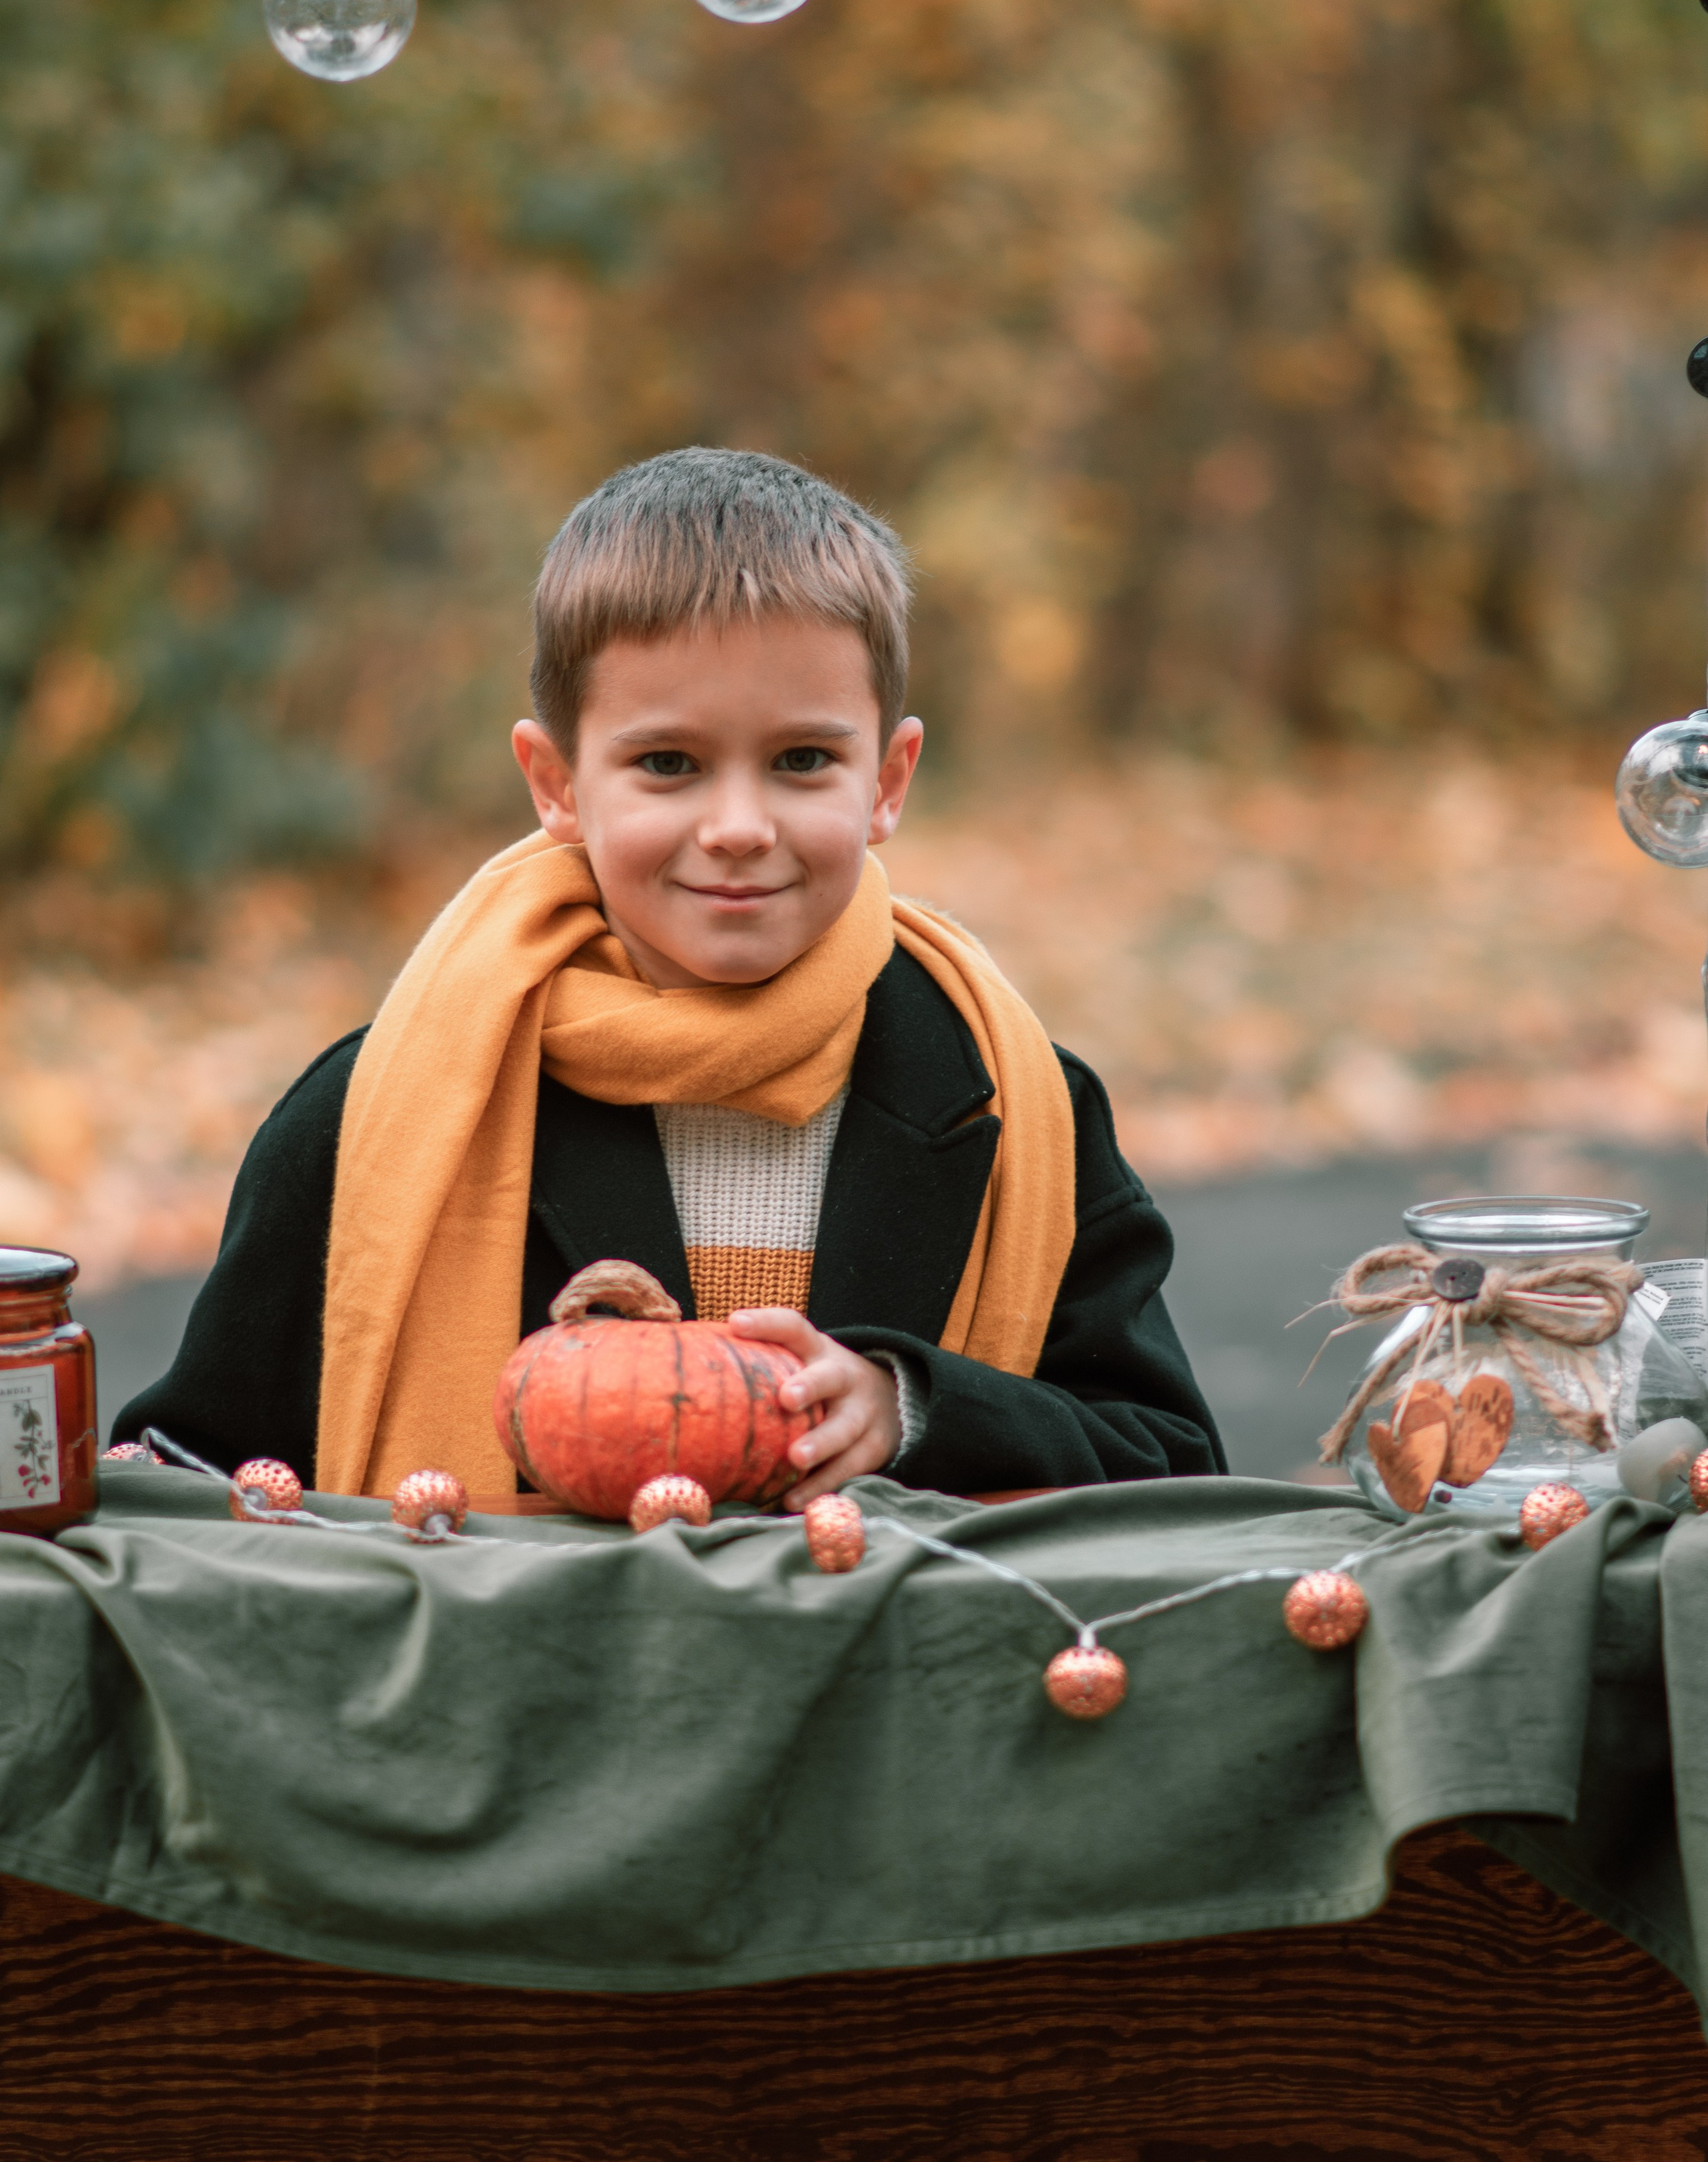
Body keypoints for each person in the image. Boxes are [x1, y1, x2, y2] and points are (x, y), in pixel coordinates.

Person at [116, 448, 1224, 1503]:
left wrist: (915, 1413)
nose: (738, 827)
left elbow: (1172, 1466)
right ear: (556, 783)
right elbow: (195, 1475)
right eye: (667, 765)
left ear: (888, 781)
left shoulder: (1019, 1101)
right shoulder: (376, 1118)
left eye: (802, 761)